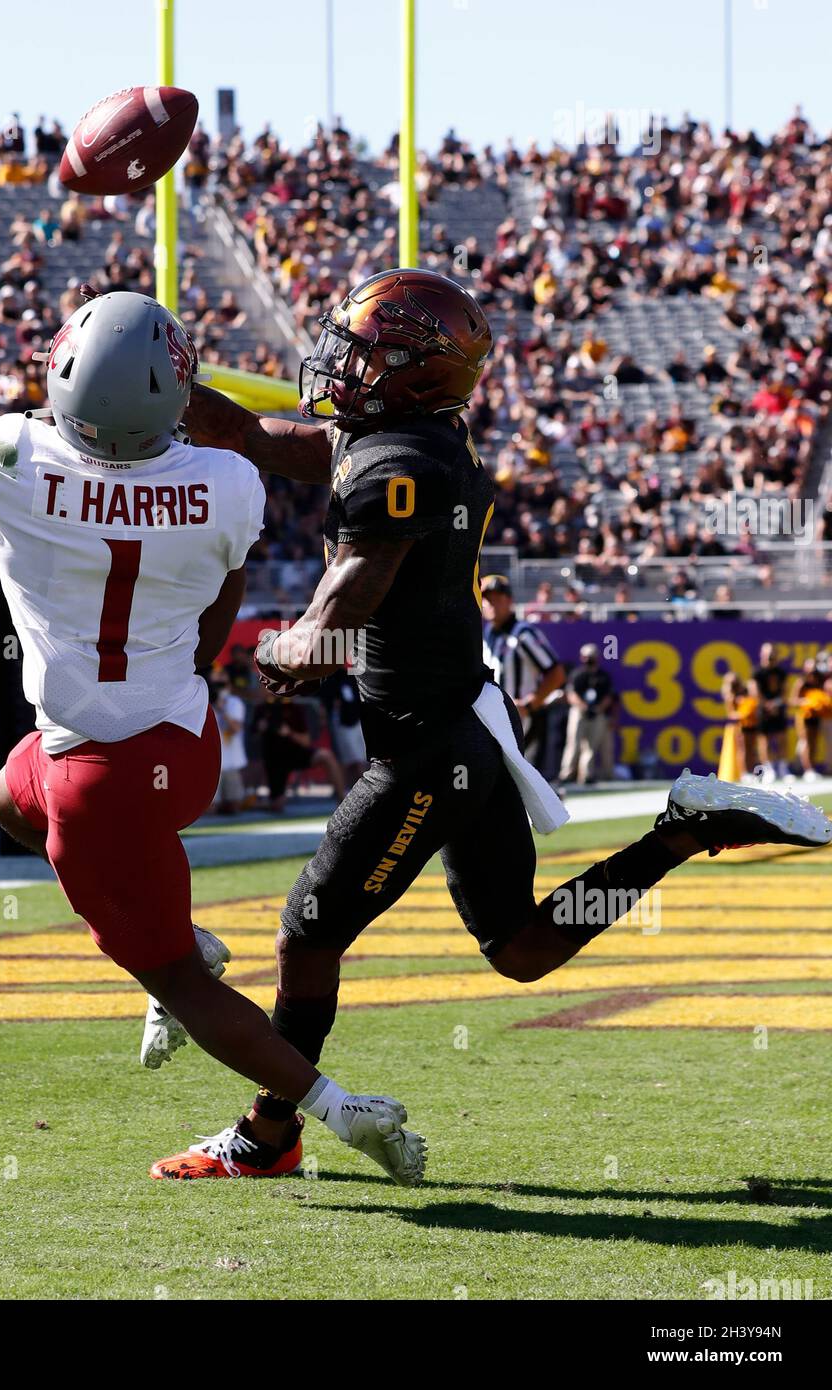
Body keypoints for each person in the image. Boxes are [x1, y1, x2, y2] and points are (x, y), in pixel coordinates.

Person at [147, 265, 832, 1182]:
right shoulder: (408, 438)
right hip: (468, 731)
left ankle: (271, 1134)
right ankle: (683, 831)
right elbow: (247, 433)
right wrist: (134, 374)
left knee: (306, 941)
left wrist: (268, 649)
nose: (342, 363)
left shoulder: (398, 466)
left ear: (420, 373)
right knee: (523, 948)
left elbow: (337, 618)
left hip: (430, 749)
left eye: (369, 352)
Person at [0, 202, 423, 1184]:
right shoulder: (228, 484)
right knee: (9, 798)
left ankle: (338, 1109)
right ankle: (192, 938)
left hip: (98, 771)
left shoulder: (11, 457)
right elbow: (220, 615)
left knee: (173, 980)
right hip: (181, 748)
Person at [481, 575, 567, 778]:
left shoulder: (523, 633)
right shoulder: (488, 634)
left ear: (509, 601)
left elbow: (556, 674)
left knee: (522, 782)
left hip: (522, 722)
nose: (491, 604)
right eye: (487, 599)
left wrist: (530, 704)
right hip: (495, 722)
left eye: (497, 598)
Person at [560, 643, 616, 785]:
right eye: (586, 657)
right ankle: (567, 773)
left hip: (598, 713)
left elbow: (609, 696)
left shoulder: (603, 676)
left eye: (591, 657)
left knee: (591, 745)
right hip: (579, 712)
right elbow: (571, 694)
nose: (588, 659)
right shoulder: (577, 674)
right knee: (573, 743)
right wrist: (584, 707)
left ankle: (586, 774)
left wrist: (598, 708)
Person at [753, 642, 789, 782]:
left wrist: (776, 704)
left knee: (782, 738)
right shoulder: (757, 672)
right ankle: (769, 769)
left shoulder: (781, 672)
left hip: (778, 708)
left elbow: (785, 692)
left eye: (772, 654)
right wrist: (767, 705)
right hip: (763, 710)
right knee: (764, 740)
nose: (770, 657)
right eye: (768, 655)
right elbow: (755, 692)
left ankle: (783, 767)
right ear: (762, 655)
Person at [210, 674, 247, 814]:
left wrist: (222, 710)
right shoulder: (205, 702)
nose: (219, 689)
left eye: (222, 685)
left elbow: (235, 729)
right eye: (216, 686)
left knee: (234, 806)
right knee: (210, 808)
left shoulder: (234, 702)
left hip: (231, 761)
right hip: (212, 763)